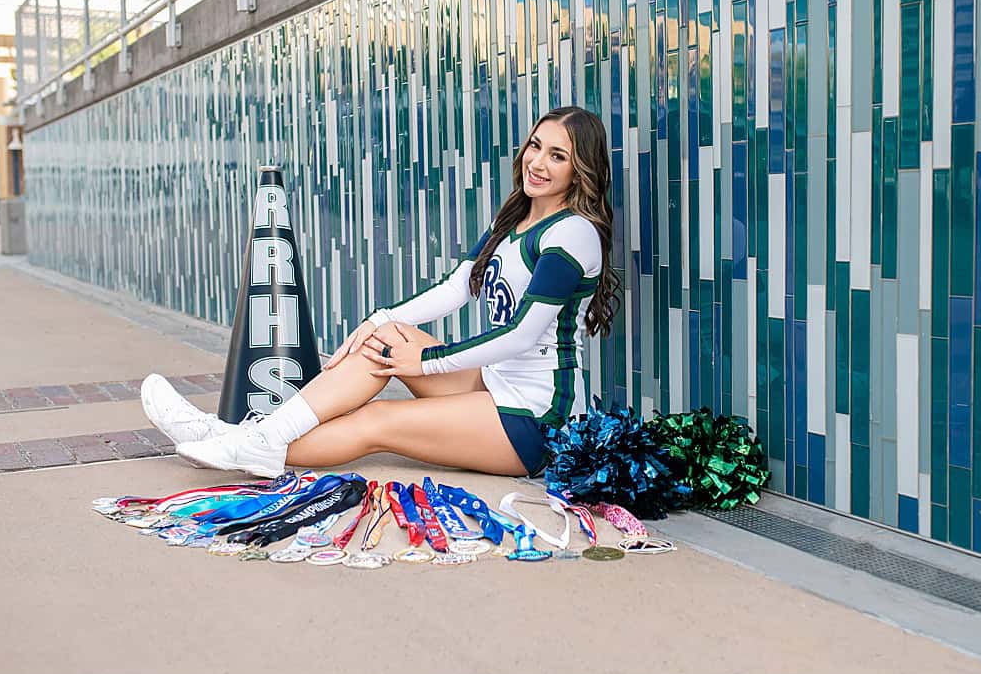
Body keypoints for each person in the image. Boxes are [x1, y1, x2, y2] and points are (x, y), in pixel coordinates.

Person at [141, 105, 622, 481]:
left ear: (580, 170)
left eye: (557, 156)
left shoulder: (572, 233)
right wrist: (378, 318)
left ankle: (240, 441)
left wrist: (427, 363)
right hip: (496, 385)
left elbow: (521, 336)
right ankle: (246, 439)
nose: (537, 163)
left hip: (537, 417)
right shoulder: (515, 218)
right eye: (535, 146)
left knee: (378, 422)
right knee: (385, 339)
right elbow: (458, 287)